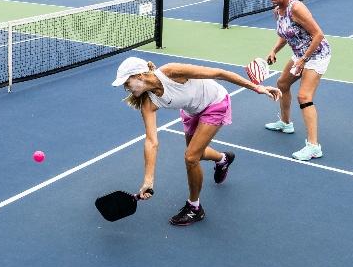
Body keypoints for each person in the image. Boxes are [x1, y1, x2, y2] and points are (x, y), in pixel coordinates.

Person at [111, 56, 280, 226]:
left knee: (191, 157)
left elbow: (219, 73)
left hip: (215, 103)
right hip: (192, 111)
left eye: (127, 82)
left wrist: (257, 88)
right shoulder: (147, 103)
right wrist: (148, 180)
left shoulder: (171, 71)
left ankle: (194, 208)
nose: (126, 88)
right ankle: (223, 159)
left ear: (139, 76)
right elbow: (151, 141)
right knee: (196, 154)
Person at [261, 0, 331, 161]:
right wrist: (274, 50)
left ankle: (314, 147)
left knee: (304, 96)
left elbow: (318, 34)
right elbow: (286, 34)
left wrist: (304, 59)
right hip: (300, 54)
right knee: (282, 83)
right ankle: (285, 123)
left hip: (316, 54)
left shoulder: (296, 8)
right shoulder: (278, 11)